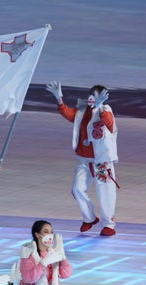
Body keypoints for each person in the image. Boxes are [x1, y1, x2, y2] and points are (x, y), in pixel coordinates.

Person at [45, 82, 119, 236]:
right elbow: (69, 114)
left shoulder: (106, 111)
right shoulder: (83, 110)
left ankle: (108, 224)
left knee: (106, 192)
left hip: (101, 160)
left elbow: (110, 124)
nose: (92, 98)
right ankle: (89, 217)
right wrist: (59, 97)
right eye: (91, 95)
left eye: (97, 96)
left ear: (103, 98)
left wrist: (100, 106)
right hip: (84, 159)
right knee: (77, 189)